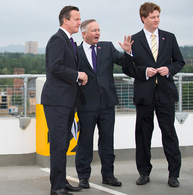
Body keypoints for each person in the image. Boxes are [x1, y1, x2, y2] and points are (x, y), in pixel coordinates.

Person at [122, 2, 185, 187]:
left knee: (169, 134)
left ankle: (174, 174)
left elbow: (180, 61)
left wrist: (169, 69)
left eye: (158, 16)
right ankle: (143, 172)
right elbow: (127, 68)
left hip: (165, 94)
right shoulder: (133, 40)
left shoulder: (169, 37)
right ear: (143, 18)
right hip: (144, 96)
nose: (156, 20)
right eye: (152, 17)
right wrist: (143, 71)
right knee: (142, 135)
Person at [75, 19, 133, 188]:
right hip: (86, 104)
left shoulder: (107, 47)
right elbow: (71, 73)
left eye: (99, 30)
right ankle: (83, 177)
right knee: (85, 142)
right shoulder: (75, 52)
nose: (97, 33)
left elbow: (123, 63)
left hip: (107, 103)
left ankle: (108, 175)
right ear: (84, 33)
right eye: (94, 30)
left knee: (107, 141)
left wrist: (128, 53)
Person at [41, 5, 88, 195]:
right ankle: (57, 187)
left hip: (66, 101)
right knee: (59, 144)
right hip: (57, 101)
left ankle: (61, 181)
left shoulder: (69, 40)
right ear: (65, 20)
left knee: (64, 143)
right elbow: (56, 68)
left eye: (80, 19)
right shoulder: (57, 39)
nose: (80, 22)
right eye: (76, 19)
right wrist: (78, 75)